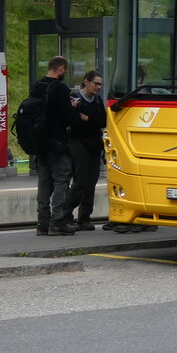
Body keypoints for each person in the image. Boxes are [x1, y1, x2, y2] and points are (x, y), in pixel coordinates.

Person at [32, 56, 81, 236]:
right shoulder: (59, 88)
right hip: (58, 142)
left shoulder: (38, 85)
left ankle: (42, 224)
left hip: (40, 143)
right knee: (61, 181)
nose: (65, 74)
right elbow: (68, 117)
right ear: (60, 69)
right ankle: (57, 221)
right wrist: (73, 107)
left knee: (44, 183)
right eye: (65, 71)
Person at [66, 70, 107, 232]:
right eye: (96, 83)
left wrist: (87, 119)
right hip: (78, 142)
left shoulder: (97, 100)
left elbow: (103, 120)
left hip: (94, 144)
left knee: (91, 182)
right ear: (86, 82)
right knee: (80, 181)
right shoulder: (75, 98)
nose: (98, 87)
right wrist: (89, 121)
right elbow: (74, 121)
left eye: (100, 84)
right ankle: (66, 214)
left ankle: (84, 218)